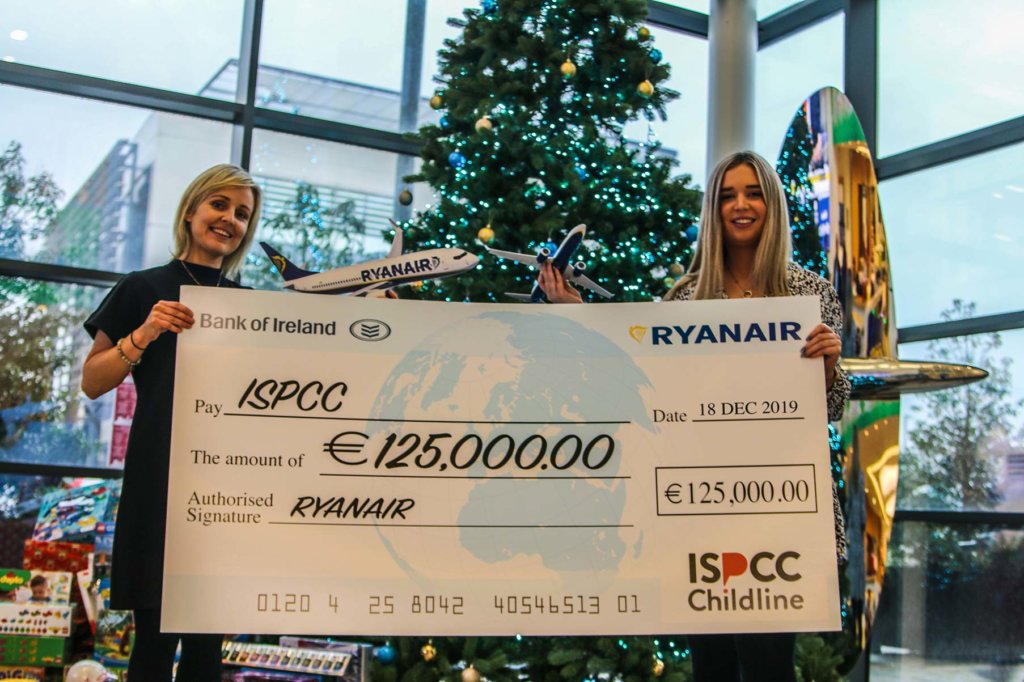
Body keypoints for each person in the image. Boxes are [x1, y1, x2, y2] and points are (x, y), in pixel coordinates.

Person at [540, 150, 850, 682]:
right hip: (701, 505)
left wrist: (826, 367)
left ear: (772, 205)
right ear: (714, 211)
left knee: (771, 665)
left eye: (752, 193)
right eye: (727, 196)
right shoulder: (688, 296)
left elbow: (832, 406)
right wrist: (579, 316)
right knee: (712, 666)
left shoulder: (810, 293)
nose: (740, 205)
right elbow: (645, 375)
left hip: (779, 505)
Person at [81, 164, 263, 682]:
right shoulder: (141, 288)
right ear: (190, 210)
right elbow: (92, 382)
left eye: (243, 214)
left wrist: (373, 313)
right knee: (154, 642)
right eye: (219, 205)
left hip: (227, 488)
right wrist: (145, 333)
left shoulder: (250, 305)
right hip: (159, 480)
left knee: (208, 649)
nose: (230, 219)